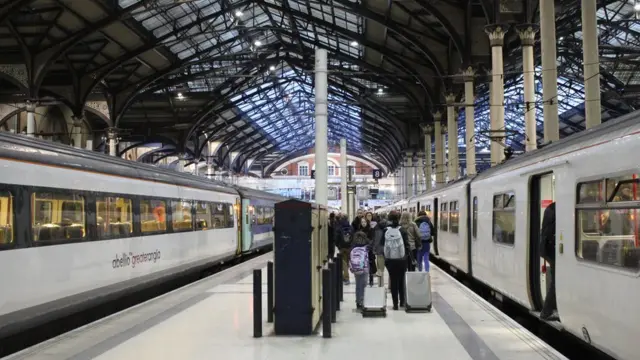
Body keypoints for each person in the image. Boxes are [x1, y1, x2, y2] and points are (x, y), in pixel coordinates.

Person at [384, 211, 410, 310]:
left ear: (389, 219)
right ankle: (402, 302)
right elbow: (407, 245)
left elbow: (383, 245)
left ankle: (395, 304)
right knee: (401, 280)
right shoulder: (402, 230)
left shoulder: (386, 230)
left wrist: (386, 258)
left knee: (393, 281)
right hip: (402, 260)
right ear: (399, 218)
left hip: (390, 260)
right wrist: (406, 256)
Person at [539, 202, 558, 321]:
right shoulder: (557, 209)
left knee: (556, 281)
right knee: (556, 282)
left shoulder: (552, 207)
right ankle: (546, 312)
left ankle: (549, 309)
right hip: (550, 249)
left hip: (547, 249)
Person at [349, 229, 375, 309]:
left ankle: (358, 302)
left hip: (356, 268)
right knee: (364, 284)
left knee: (358, 285)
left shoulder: (353, 245)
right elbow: (371, 257)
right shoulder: (367, 245)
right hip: (365, 267)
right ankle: (363, 300)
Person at [335, 214, 354, 285]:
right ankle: (345, 277)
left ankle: (346, 278)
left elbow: (336, 238)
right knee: (346, 263)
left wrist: (338, 246)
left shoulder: (339, 227)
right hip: (349, 248)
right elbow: (353, 237)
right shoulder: (351, 227)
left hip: (342, 248)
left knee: (344, 264)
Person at [371, 214, 387, 286]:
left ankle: (381, 285)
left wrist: (374, 249)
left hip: (380, 251)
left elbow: (376, 240)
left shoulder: (376, 227)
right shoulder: (389, 226)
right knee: (391, 271)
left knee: (380, 270)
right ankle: (390, 286)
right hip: (389, 251)